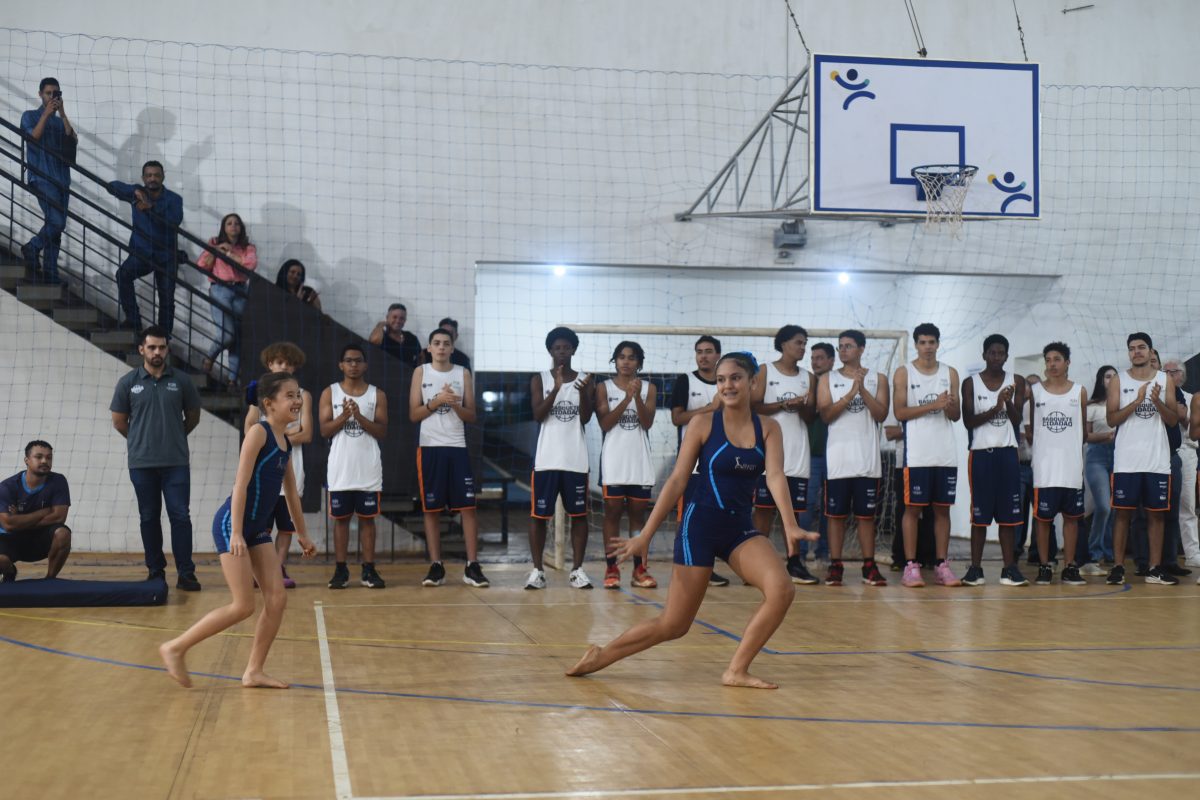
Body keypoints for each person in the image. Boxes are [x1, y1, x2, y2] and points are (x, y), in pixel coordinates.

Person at [566, 352, 818, 688]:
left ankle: (736, 671)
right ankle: (601, 655)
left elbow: (774, 477)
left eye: (735, 378)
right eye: (721, 380)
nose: (727, 386)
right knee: (675, 625)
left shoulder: (769, 428)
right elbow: (676, 482)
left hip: (740, 529)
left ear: (753, 382)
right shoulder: (703, 424)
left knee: (782, 590)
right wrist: (645, 535)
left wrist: (789, 524)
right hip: (699, 526)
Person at [159, 371, 318, 689]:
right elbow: (240, 484)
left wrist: (302, 534)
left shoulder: (285, 441)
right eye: (289, 395)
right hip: (232, 523)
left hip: (257, 529)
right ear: (269, 403)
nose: (298, 401)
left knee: (277, 599)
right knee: (244, 605)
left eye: (298, 394)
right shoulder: (258, 433)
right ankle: (175, 648)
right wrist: (235, 532)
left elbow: (291, 494)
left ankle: (253, 671)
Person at [110, 325, 201, 590]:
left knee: (180, 516)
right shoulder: (128, 382)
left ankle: (186, 573)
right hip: (142, 464)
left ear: (167, 350)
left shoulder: (182, 381)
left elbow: (193, 416)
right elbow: (119, 421)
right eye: (151, 347)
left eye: (161, 347)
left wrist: (174, 437)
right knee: (149, 517)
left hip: (176, 463)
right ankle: (155, 571)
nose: (157, 352)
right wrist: (141, 441)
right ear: (142, 350)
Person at [410, 328, 489, 588]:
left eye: (446, 343)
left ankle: (472, 565)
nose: (441, 347)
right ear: (429, 348)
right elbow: (414, 414)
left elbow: (471, 416)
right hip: (430, 447)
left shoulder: (462, 373)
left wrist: (453, 403)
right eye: (437, 343)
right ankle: (436, 565)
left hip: (457, 447)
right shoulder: (420, 372)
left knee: (468, 507)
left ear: (452, 348)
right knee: (431, 509)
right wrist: (436, 401)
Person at [818, 330, 890, 586]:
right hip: (838, 461)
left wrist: (863, 390)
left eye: (848, 346)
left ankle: (869, 566)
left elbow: (881, 415)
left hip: (867, 462)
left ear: (861, 349)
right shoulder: (827, 379)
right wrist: (851, 393)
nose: (843, 350)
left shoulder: (879, 378)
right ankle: (835, 565)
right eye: (840, 346)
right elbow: (826, 415)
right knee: (835, 516)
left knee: (866, 517)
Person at [893, 322, 962, 588]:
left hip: (944, 453)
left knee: (942, 511)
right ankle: (911, 566)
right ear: (916, 345)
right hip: (917, 455)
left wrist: (949, 406)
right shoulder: (904, 373)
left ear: (938, 344)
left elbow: (955, 416)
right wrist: (934, 404)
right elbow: (900, 413)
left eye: (932, 342)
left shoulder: (950, 373)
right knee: (912, 510)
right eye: (923, 342)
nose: (928, 347)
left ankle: (941, 564)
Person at [1106, 332, 1179, 585]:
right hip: (1127, 460)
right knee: (1122, 514)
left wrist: (1156, 401)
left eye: (1141, 347)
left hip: (1157, 460)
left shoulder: (1164, 379)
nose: (1136, 352)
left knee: (1156, 515)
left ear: (1150, 351)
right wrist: (1137, 401)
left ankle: (1154, 569)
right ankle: (1117, 567)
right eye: (1132, 348)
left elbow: (1173, 420)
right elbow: (1111, 419)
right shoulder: (1118, 380)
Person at [527, 327, 594, 589]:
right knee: (539, 516)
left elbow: (585, 418)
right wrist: (556, 389)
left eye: (566, 347)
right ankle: (537, 571)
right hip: (546, 460)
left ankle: (577, 570)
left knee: (579, 515)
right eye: (557, 348)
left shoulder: (585, 380)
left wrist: (582, 393)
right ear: (550, 351)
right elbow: (538, 415)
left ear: (573, 349)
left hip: (575, 460)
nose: (562, 352)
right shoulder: (540, 379)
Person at [243, 342, 312, 589]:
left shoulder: (303, 395)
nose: (284, 367)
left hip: (291, 462)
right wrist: (280, 435)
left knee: (286, 525)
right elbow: (250, 427)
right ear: (269, 364)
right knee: (262, 524)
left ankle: (277, 567)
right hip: (267, 465)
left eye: (289, 363)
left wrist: (279, 436)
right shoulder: (261, 395)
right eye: (279, 362)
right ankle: (259, 569)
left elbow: (306, 434)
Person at [320, 343, 388, 589]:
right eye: (348, 360)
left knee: (368, 520)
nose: (353, 365)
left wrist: (359, 416)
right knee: (341, 520)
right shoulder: (330, 392)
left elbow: (382, 431)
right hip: (341, 470)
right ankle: (341, 570)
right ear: (341, 365)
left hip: (368, 469)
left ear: (365, 364)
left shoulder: (377, 394)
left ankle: (369, 569)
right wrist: (344, 416)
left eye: (358, 360)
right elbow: (324, 430)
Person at [960, 334, 1026, 587]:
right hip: (981, 454)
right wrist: (996, 406)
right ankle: (975, 570)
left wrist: (1007, 403)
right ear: (984, 355)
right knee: (979, 517)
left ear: (1007, 356)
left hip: (1008, 454)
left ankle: (1009, 569)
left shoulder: (1016, 381)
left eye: (1001, 353)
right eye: (992, 353)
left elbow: (1017, 420)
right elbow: (969, 421)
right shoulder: (971, 383)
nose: (997, 357)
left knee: (1009, 517)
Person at [751, 325, 816, 581]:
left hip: (798, 453)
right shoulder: (765, 370)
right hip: (768, 453)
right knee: (763, 510)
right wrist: (784, 403)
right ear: (784, 344)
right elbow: (753, 406)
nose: (803, 347)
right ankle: (758, 562)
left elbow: (810, 417)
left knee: (795, 511)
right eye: (799, 342)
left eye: (805, 343)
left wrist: (802, 405)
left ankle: (794, 562)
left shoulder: (808, 377)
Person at [669, 335, 731, 587]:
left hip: (721, 462)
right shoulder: (685, 380)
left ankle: (706, 567)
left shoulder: (726, 383)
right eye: (699, 351)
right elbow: (677, 418)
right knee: (687, 516)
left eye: (708, 351)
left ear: (718, 355)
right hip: (692, 463)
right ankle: (682, 567)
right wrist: (710, 408)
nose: (703, 356)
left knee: (713, 516)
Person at [596, 341, 657, 589]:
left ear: (639, 362)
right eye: (621, 357)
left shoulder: (649, 388)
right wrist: (627, 399)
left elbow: (647, 422)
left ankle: (639, 570)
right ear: (615, 360)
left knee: (638, 516)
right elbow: (605, 423)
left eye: (631, 358)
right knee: (612, 513)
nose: (626, 362)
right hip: (613, 461)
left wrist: (637, 397)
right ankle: (612, 568)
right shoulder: (603, 387)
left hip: (639, 462)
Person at [1028, 343, 1089, 586]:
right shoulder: (1035, 391)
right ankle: (1044, 565)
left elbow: (1083, 431)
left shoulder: (1079, 392)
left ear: (1067, 362)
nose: (1052, 364)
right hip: (1045, 469)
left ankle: (1070, 566)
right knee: (1044, 520)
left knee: (1072, 519)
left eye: (1057, 359)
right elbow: (1031, 429)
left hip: (1071, 467)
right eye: (1048, 359)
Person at [109, 161, 184, 332]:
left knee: (166, 299)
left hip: (166, 256)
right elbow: (111, 186)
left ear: (163, 177)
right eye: (149, 175)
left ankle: (163, 336)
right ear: (143, 178)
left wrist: (151, 208)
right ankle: (133, 321)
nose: (152, 179)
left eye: (156, 175)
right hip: (142, 253)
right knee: (123, 275)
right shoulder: (137, 193)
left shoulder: (174, 199)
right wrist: (133, 191)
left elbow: (174, 221)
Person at [20, 77, 77, 285]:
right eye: (48, 93)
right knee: (57, 222)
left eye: (56, 93)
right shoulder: (30, 115)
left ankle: (51, 274)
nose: (52, 96)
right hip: (42, 177)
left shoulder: (60, 121)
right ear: (40, 94)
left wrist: (62, 113)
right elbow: (32, 137)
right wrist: (46, 113)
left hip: (62, 179)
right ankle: (32, 247)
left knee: (56, 227)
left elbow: (73, 139)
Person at [196, 213, 257, 385]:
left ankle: (232, 380)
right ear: (224, 227)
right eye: (229, 223)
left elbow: (250, 264)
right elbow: (202, 265)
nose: (233, 226)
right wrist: (216, 251)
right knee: (227, 335)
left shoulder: (248, 247)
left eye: (236, 223)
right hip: (220, 288)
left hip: (241, 290)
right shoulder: (215, 242)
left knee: (237, 337)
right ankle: (209, 358)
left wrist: (229, 253)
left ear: (241, 227)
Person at [0, 441, 72, 581]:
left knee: (62, 533)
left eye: (49, 457)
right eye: (39, 457)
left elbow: (59, 517)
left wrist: (19, 520)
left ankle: (50, 579)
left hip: (39, 538)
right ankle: (9, 570)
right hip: (10, 538)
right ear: (26, 460)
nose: (45, 461)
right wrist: (44, 512)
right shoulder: (7, 487)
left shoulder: (58, 481)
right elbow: (8, 525)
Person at [797, 342, 834, 566]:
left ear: (831, 360)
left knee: (830, 506)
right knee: (807, 504)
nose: (815, 362)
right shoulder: (806, 383)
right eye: (813, 358)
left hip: (836, 455)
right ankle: (800, 553)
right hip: (809, 454)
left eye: (820, 357)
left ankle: (823, 552)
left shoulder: (839, 384)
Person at [1084, 365, 1118, 572]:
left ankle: (1110, 551)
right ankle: (1094, 552)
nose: (1111, 379)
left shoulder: (1123, 404)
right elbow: (1086, 436)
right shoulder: (1092, 407)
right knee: (1104, 506)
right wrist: (1107, 436)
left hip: (1120, 456)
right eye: (1107, 376)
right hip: (1097, 456)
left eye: (1114, 376)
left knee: (1116, 508)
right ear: (1100, 380)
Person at [1166, 360, 1200, 567]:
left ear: (1183, 375)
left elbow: (1194, 432)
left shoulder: (1191, 398)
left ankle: (1192, 553)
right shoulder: (1157, 396)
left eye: (1174, 371)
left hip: (1186, 450)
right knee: (1159, 507)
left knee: (1187, 504)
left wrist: (1182, 417)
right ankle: (1161, 557)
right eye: (1166, 371)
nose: (1170, 374)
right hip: (1162, 453)